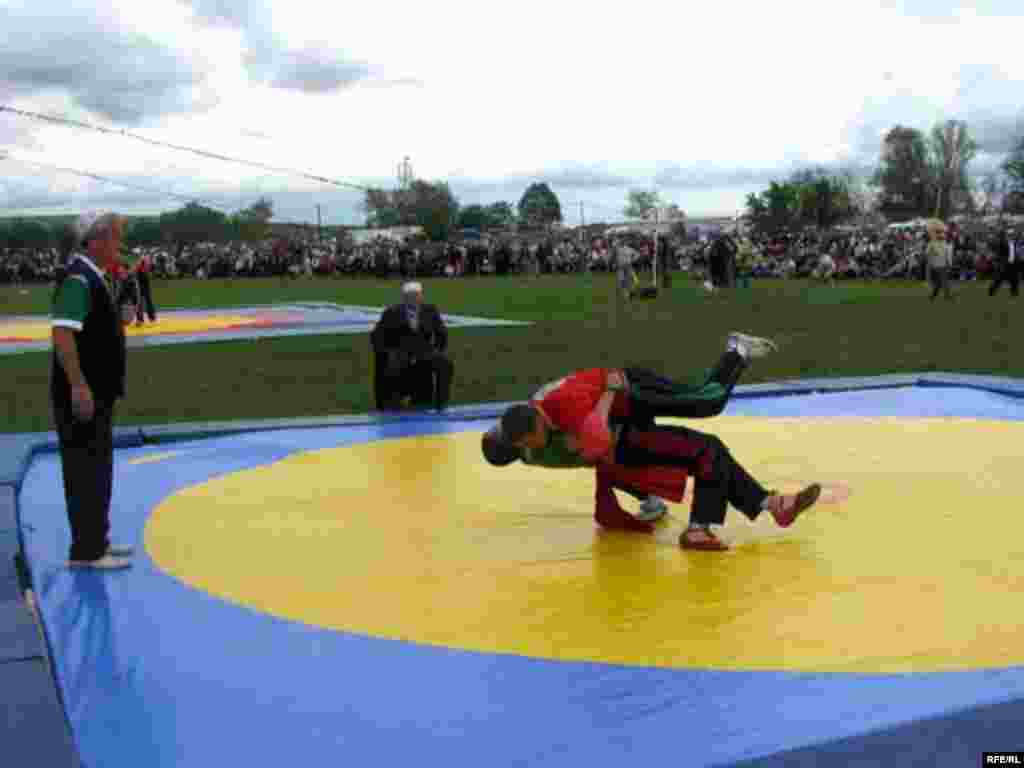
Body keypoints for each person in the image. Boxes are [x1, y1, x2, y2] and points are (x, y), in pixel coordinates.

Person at [483, 333, 822, 550]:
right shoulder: (537, 430)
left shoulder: (556, 413)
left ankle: (736, 352)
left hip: (628, 396)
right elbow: (596, 446)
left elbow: (596, 442)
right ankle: (762, 508)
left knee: (707, 406)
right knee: (706, 443)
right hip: (622, 423)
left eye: (528, 442)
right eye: (523, 447)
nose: (530, 448)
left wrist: (608, 395)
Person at [51, 211, 133, 569]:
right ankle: (87, 550)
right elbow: (63, 333)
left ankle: (97, 540)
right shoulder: (79, 279)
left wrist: (119, 319)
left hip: (98, 391)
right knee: (86, 469)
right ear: (96, 241)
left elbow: (90, 330)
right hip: (85, 393)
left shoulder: (91, 277)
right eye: (115, 238)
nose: (119, 246)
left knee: (97, 467)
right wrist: (78, 385)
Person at [370, 282, 454, 411]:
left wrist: (437, 350)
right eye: (409, 296)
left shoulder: (430, 310)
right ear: (403, 298)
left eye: (416, 295)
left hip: (424, 353)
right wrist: (388, 353)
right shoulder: (392, 312)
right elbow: (376, 336)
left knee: (445, 363)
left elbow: (441, 332)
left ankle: (441, 404)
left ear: (421, 296)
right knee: (391, 365)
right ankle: (392, 402)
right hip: (400, 354)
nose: (413, 299)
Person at [926, 225, 953, 301]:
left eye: (941, 233)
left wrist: (948, 263)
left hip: (943, 264)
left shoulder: (944, 243)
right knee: (943, 281)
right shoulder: (932, 243)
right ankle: (946, 296)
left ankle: (933, 296)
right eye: (938, 233)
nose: (941, 235)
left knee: (940, 282)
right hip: (935, 265)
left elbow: (946, 254)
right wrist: (932, 257)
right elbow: (927, 253)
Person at [989, 229, 1020, 298]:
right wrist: (999, 261)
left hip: (1013, 264)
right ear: (1007, 235)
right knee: (999, 279)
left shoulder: (1014, 243)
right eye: (1010, 235)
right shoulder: (1002, 242)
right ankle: (991, 291)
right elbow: (999, 252)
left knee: (1014, 279)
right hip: (1005, 264)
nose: (1011, 236)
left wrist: (1016, 260)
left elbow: (1014, 253)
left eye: (1012, 234)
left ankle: (1014, 294)